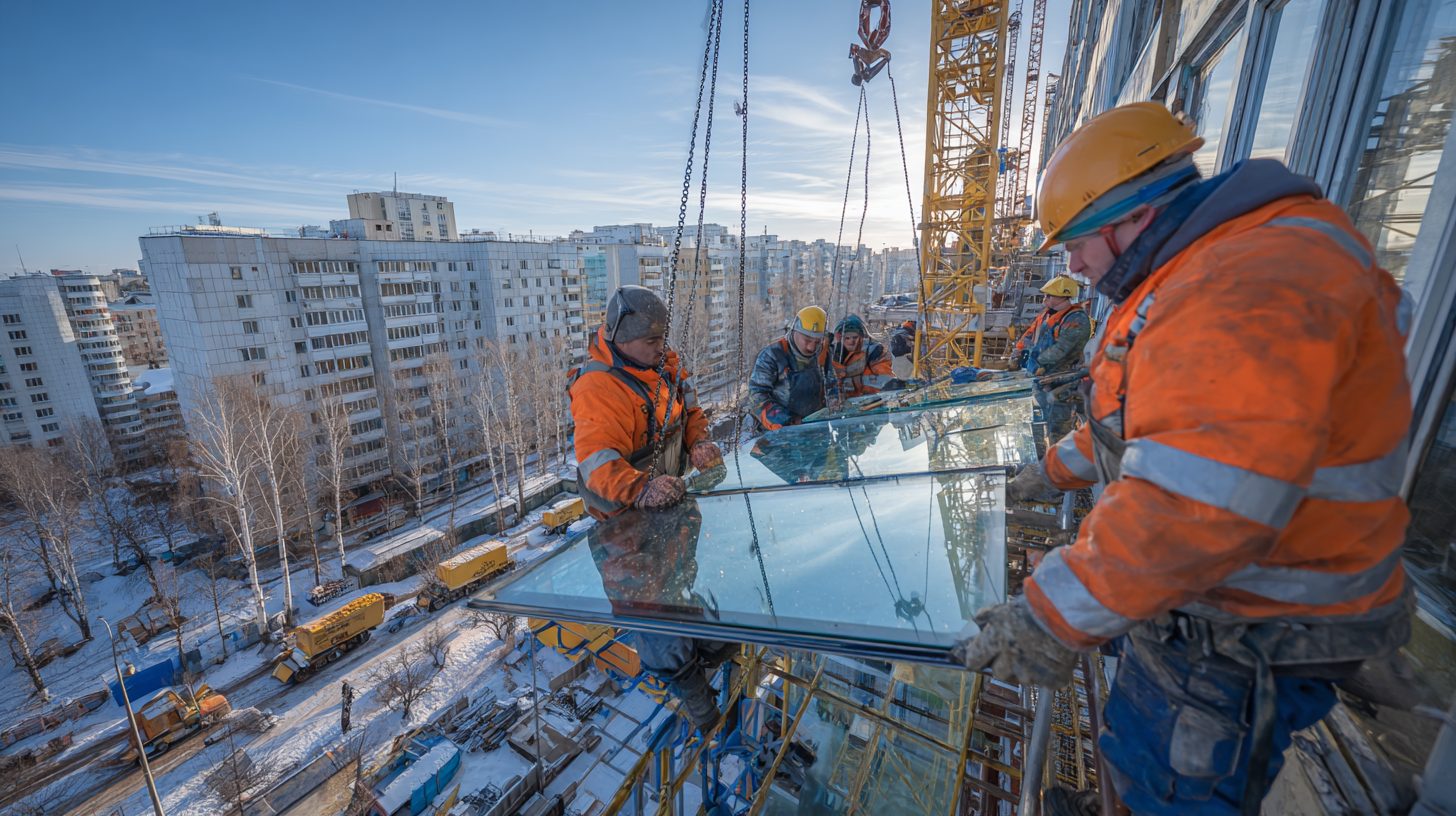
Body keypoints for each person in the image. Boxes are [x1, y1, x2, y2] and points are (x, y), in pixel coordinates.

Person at [952, 102, 1411, 815]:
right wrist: (1051, 471)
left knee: (1174, 781)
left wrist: (1047, 616)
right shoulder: (1217, 268)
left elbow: (1193, 507)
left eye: (1075, 242)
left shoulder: (1238, 285)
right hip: (1238, 601)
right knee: (1139, 749)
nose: (1072, 264)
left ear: (1129, 215)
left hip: (1243, 625)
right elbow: (1153, 429)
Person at [568, 285, 724, 520]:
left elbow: (690, 412)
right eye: (652, 340)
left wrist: (699, 442)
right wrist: (640, 488)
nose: (661, 347)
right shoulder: (598, 388)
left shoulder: (664, 369)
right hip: (626, 528)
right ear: (623, 339)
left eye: (662, 338)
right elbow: (598, 463)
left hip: (672, 505)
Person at [1010, 275, 1092, 438]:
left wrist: (1040, 363)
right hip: (1039, 377)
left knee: (1057, 426)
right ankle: (1042, 458)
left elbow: (1062, 349)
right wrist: (1017, 353)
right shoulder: (1046, 315)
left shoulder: (1076, 319)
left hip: (1062, 378)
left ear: (1064, 296)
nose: (1044, 300)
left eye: (1049, 296)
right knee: (1036, 423)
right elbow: (1030, 335)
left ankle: (1060, 458)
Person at [748, 306, 830, 431]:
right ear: (794, 331)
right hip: (779, 432)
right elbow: (757, 396)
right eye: (807, 340)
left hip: (814, 426)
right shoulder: (772, 356)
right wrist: (787, 421)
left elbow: (832, 382)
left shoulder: (823, 354)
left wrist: (834, 400)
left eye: (817, 342)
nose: (812, 348)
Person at [828, 314, 898, 398]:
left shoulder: (874, 352)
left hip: (872, 401)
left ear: (862, 337)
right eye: (847, 338)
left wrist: (854, 382)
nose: (851, 341)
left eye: (855, 337)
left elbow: (886, 381)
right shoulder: (835, 355)